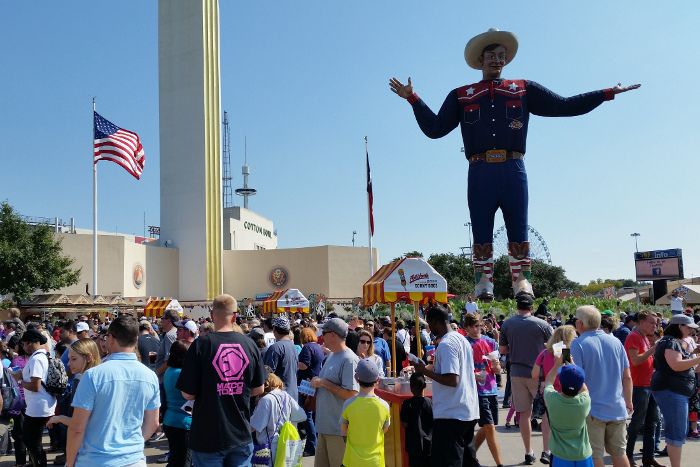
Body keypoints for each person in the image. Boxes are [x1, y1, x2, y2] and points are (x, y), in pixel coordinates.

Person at [390, 29, 639, 299]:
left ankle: (522, 282)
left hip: (513, 167)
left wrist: (605, 93)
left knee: (518, 226)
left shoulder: (522, 89)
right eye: (491, 56)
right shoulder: (462, 95)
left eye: (502, 56)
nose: (497, 60)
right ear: (480, 60)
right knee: (481, 227)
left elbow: (564, 105)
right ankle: (483, 283)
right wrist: (413, 99)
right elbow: (436, 128)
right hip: (479, 169)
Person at [176, 294, 265, 466]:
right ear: (235, 316)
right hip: (240, 433)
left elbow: (187, 394)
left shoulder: (201, 345)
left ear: (212, 314)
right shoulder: (250, 344)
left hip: (207, 435)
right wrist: (236, 389)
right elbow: (259, 389)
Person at [66, 315, 160, 467]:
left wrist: (69, 463)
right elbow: (153, 423)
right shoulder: (150, 376)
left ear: (111, 338)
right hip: (133, 460)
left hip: (96, 460)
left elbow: (77, 427)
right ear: (135, 339)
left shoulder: (93, 375)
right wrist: (132, 446)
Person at [413, 303, 480, 467]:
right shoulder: (461, 339)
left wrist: (424, 371)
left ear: (436, 321)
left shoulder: (446, 344)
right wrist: (428, 367)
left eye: (430, 323)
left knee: (449, 462)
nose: (430, 328)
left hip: (451, 414)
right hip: (466, 410)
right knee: (466, 461)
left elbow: (452, 379)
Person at [570, 305, 633, 467]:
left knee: (594, 455)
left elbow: (573, 378)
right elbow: (627, 377)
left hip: (592, 410)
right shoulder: (616, 341)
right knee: (619, 453)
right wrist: (629, 401)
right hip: (617, 407)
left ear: (580, 323)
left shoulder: (578, 344)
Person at [499, 293, 552, 464]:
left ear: (517, 306)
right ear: (531, 307)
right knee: (546, 412)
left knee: (523, 413)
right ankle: (546, 450)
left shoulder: (507, 324)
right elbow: (557, 346)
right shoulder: (543, 324)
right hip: (540, 373)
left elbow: (502, 350)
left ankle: (528, 452)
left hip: (516, 372)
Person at [651, 315, 700, 467]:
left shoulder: (669, 341)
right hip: (672, 392)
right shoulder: (671, 342)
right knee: (676, 433)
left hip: (672, 391)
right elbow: (677, 365)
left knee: (676, 432)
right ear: (679, 326)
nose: (692, 330)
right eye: (689, 327)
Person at [310, 317, 359, 467]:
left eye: (323, 332)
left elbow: (352, 394)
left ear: (332, 335)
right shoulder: (332, 355)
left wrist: (324, 383)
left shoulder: (349, 359)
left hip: (338, 430)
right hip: (325, 427)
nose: (321, 336)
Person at [47, 338, 101, 466]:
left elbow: (77, 425)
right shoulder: (102, 377)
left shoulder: (82, 380)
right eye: (69, 359)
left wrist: (59, 418)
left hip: (87, 450)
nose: (69, 364)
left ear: (88, 357)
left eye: (74, 359)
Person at [531, 324, 578, 464]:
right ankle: (561, 450)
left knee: (547, 419)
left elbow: (533, 374)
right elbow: (575, 372)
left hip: (549, 391)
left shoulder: (544, 353)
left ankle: (547, 450)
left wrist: (544, 377)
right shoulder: (565, 352)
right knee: (563, 423)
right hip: (564, 392)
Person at [464, 313, 504, 467]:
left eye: (479, 325)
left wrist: (496, 365)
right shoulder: (465, 343)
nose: (477, 329)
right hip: (477, 391)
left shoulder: (490, 342)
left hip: (492, 388)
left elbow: (498, 370)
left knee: (488, 425)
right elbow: (464, 369)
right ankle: (500, 464)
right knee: (489, 426)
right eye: (474, 326)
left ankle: (470, 451)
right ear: (467, 328)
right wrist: (474, 375)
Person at [624, 311, 662, 467]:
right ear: (641, 322)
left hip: (649, 385)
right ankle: (628, 456)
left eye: (656, 323)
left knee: (652, 422)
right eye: (652, 322)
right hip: (639, 386)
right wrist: (654, 349)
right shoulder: (634, 336)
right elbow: (635, 360)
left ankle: (648, 456)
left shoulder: (644, 337)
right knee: (637, 423)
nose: (655, 326)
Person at [14, 329, 57, 467]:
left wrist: (20, 380)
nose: (23, 347)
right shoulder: (40, 356)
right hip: (38, 406)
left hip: (38, 407)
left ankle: (38, 463)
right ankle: (35, 462)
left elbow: (35, 386)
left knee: (31, 440)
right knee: (32, 440)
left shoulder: (37, 358)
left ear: (30, 343)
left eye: (24, 344)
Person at [340, 359, 390, 467]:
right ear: (377, 380)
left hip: (351, 461)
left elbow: (344, 433)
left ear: (356, 379)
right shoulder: (384, 406)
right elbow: (384, 429)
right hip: (376, 462)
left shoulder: (348, 404)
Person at [543, 359, 593, 467]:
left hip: (560, 456)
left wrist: (557, 365)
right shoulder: (584, 402)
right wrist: (573, 365)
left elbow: (548, 382)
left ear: (560, 382)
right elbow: (585, 390)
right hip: (583, 455)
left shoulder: (552, 399)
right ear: (579, 385)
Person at [250, 372, 306, 461]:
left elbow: (254, 425)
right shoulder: (286, 395)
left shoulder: (266, 400)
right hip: (285, 443)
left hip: (268, 447)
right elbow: (302, 416)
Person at [161, 341, 192, 467]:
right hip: (183, 423)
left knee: (175, 459)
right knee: (184, 461)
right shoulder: (182, 373)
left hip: (170, 420)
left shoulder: (169, 371)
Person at [297, 326, 324, 456]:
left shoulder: (307, 347)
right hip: (314, 381)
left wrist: (295, 362)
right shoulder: (318, 347)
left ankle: (311, 445)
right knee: (312, 414)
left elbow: (304, 364)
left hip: (307, 383)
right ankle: (315, 443)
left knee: (307, 414)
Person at [400, 373, 433, 467]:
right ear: (425, 386)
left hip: (413, 446)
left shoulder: (407, 404)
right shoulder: (430, 403)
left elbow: (405, 423)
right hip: (429, 445)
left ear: (410, 387)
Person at [263, 316, 299, 402]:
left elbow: (268, 374)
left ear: (275, 329)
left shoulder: (275, 348)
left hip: (280, 396)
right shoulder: (293, 347)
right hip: (293, 393)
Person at [155, 310, 179, 378]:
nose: (161, 320)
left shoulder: (169, 335)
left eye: (162, 318)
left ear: (169, 320)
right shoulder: (176, 332)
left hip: (165, 376)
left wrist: (155, 374)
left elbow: (169, 360)